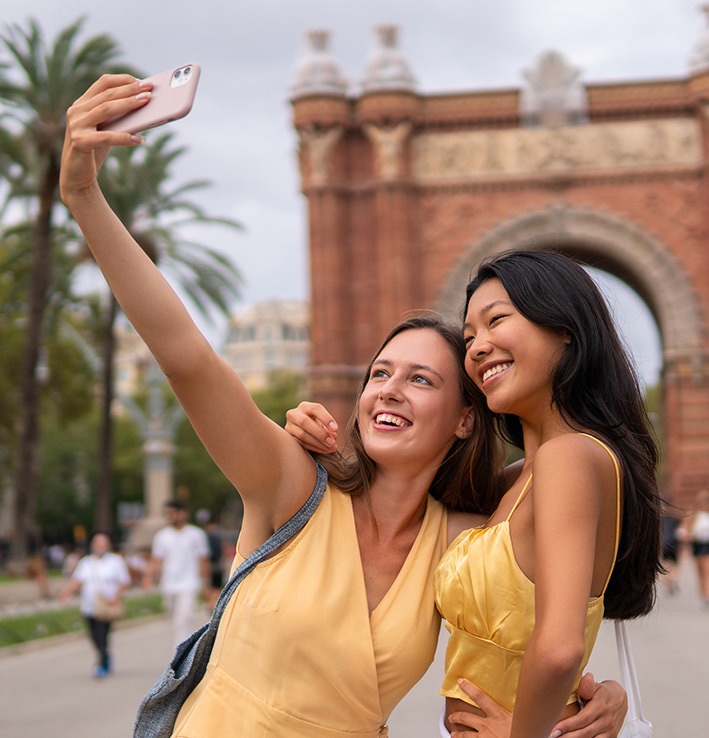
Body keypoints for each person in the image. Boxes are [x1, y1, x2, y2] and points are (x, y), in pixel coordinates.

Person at [60, 74, 625, 737]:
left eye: (420, 380)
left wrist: (598, 697)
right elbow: (187, 356)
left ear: (465, 417)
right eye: (379, 372)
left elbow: (542, 610)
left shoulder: (464, 538)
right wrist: (82, 195)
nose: (387, 387)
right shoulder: (291, 482)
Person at [287, 251, 661, 738]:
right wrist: (326, 449)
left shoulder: (570, 457)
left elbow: (560, 649)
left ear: (565, 328)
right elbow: (405, 497)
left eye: (497, 320)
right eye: (469, 339)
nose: (479, 347)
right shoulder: (515, 481)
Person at [58, 531, 130, 678]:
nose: (100, 546)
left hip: (106, 606)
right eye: (97, 543)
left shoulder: (116, 561)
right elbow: (77, 581)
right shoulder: (86, 562)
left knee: (102, 634)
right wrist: (66, 592)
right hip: (89, 606)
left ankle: (101, 664)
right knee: (94, 636)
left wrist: (116, 596)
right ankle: (104, 656)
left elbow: (124, 582)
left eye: (103, 543)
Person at [143, 500, 211, 647]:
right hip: (169, 584)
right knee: (175, 617)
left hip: (189, 583)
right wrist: (149, 577)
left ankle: (180, 654)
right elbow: (156, 560)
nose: (170, 517)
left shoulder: (196, 534)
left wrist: (205, 583)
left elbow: (203, 560)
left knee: (183, 619)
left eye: (173, 513)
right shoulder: (162, 536)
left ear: (183, 514)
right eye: (168, 514)